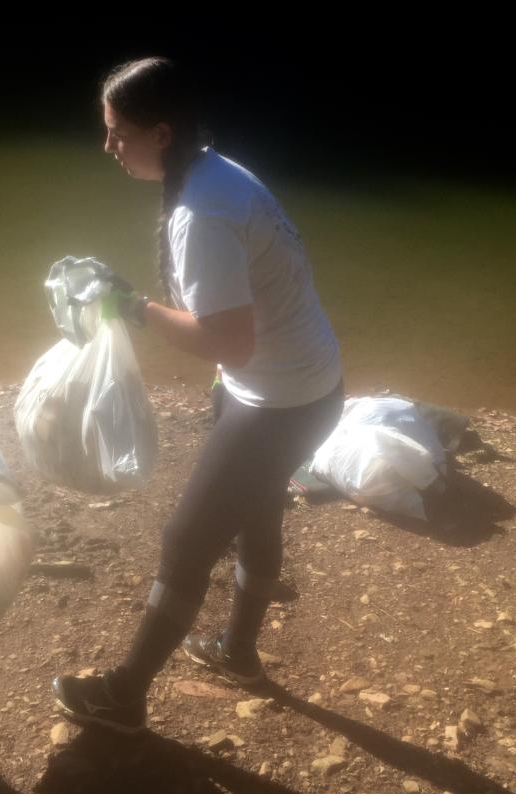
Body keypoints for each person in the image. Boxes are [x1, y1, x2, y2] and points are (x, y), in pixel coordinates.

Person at [52, 57, 345, 733]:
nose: (107, 147)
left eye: (116, 133)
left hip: (279, 398)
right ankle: (237, 653)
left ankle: (124, 695)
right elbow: (242, 332)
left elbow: (227, 341)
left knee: (185, 542)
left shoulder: (201, 212)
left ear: (159, 133)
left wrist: (129, 306)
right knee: (258, 512)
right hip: (300, 382)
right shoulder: (215, 168)